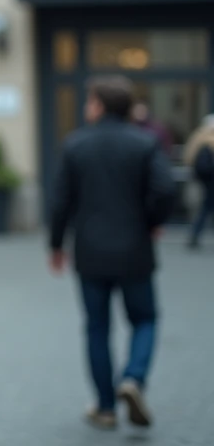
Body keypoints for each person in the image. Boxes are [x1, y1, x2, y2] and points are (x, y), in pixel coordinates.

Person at [50, 75, 176, 431]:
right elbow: (165, 190)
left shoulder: (75, 145)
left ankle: (105, 408)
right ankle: (133, 378)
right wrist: (153, 221)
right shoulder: (146, 143)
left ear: (100, 105)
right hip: (135, 249)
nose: (87, 107)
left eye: (89, 101)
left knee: (97, 328)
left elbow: (60, 202)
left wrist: (56, 245)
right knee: (145, 319)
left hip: (90, 252)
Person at [183, 114, 214, 249]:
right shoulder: (208, 142)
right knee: (205, 208)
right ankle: (195, 234)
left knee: (205, 209)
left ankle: (195, 234)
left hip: (201, 181)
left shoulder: (197, 138)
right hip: (209, 182)